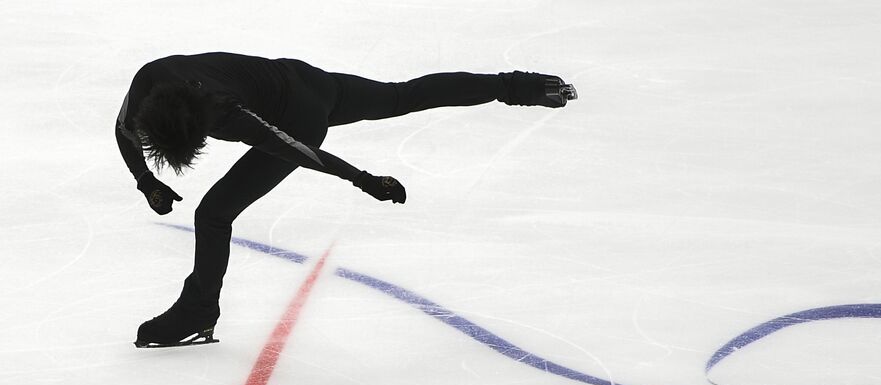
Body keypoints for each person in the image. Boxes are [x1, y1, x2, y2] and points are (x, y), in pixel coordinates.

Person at [117, 52, 576, 347]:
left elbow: (295, 147)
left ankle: (198, 310)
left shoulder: (224, 110)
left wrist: (362, 179)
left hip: (299, 113)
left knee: (214, 213)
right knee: (402, 95)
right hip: (301, 75)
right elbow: (123, 131)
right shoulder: (147, 81)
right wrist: (145, 180)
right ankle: (517, 86)